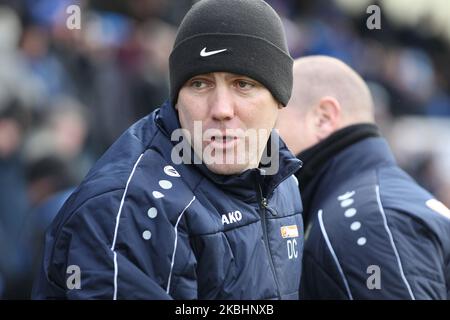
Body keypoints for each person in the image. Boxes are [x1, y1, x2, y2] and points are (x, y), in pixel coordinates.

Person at [33, 0, 303, 300]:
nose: (222, 109)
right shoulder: (129, 210)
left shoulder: (281, 176)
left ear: (280, 97)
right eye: (200, 84)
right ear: (176, 97)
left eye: (243, 84)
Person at [277, 55, 450, 299]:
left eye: (273, 122)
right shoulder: (379, 200)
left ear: (323, 118)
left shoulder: (363, 220)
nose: (263, 139)